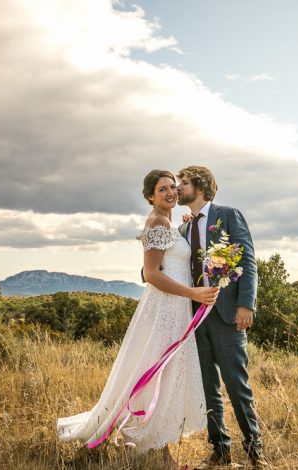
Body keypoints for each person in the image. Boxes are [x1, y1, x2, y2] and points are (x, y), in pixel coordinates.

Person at [57, 170, 219, 465]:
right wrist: (192, 293)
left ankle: (157, 441)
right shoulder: (157, 221)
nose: (171, 192)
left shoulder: (170, 222)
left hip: (177, 306)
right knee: (156, 371)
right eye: (162, 189)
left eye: (173, 187)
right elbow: (152, 274)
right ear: (150, 197)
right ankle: (147, 441)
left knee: (166, 374)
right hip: (166, 306)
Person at [176, 166, 266, 469]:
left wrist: (246, 304)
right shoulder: (184, 229)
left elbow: (247, 260)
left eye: (184, 183)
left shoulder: (228, 215)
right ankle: (220, 449)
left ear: (200, 187)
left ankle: (256, 452)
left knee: (237, 385)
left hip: (227, 314)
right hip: (194, 318)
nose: (178, 188)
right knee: (207, 386)